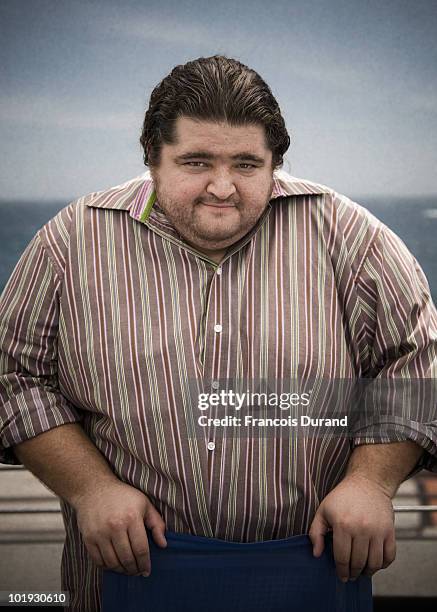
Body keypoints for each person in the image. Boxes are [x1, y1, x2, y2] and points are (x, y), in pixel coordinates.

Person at [0, 55, 436, 611]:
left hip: (316, 568)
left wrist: (372, 482)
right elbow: (14, 377)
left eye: (248, 165)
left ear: (275, 161)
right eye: (196, 162)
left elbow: (418, 362)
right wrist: (91, 489)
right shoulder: (69, 243)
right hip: (123, 574)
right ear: (152, 159)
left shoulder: (352, 237)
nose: (222, 188)